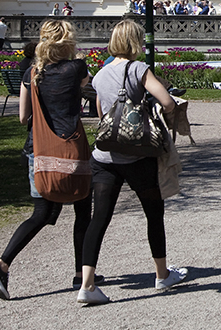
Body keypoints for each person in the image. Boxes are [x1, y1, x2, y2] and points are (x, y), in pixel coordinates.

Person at [78, 20, 188, 305]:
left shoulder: (100, 75)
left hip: (105, 156)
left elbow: (103, 112)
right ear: (134, 42)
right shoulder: (138, 69)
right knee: (153, 213)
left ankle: (87, 284)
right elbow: (167, 101)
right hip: (137, 154)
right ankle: (162, 274)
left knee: (99, 218)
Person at [0, 20, 94, 301]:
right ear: (68, 42)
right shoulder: (77, 68)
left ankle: (3, 263)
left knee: (41, 214)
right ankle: (80, 274)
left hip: (39, 150)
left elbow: (23, 117)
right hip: (70, 149)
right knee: (83, 210)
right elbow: (83, 88)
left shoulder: (32, 73)